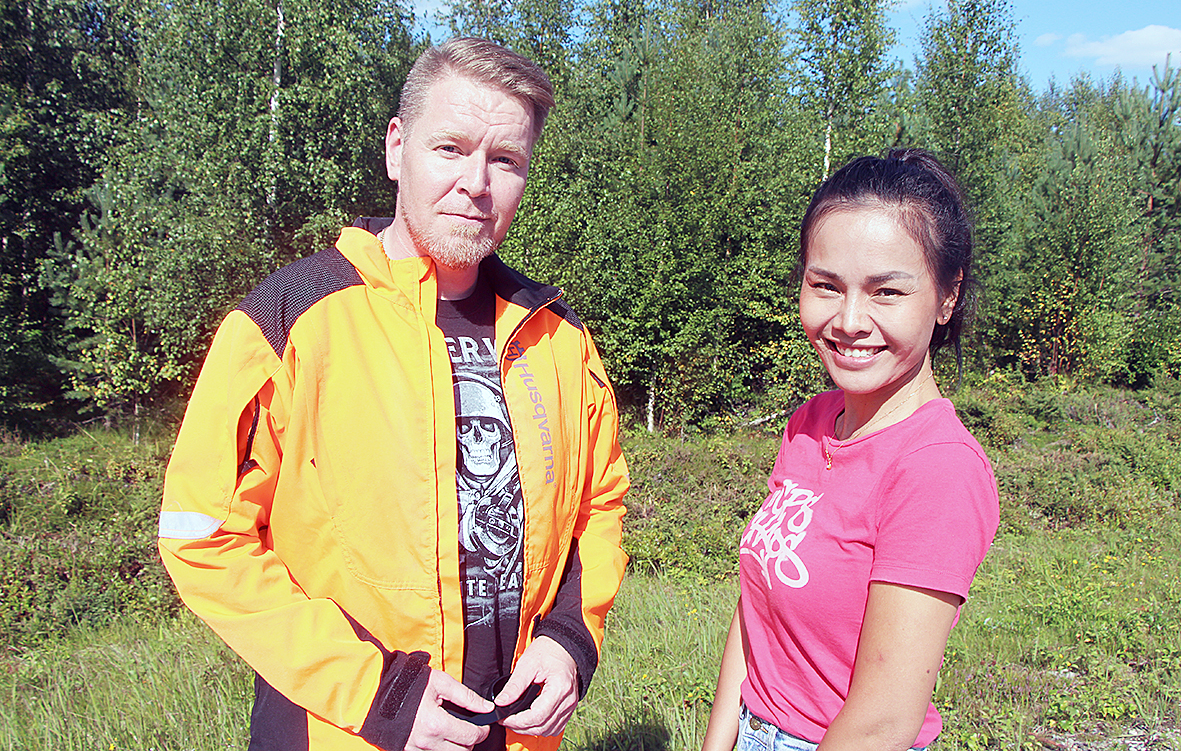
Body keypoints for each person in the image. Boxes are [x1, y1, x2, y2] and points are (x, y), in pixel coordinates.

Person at [157, 37, 629, 751]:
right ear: (395, 148)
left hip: (515, 733)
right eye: (450, 148)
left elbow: (598, 505)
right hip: (347, 729)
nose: (477, 182)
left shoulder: (558, 337)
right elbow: (201, 534)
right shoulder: (290, 316)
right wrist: (377, 692)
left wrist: (570, 638)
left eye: (504, 160)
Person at [702, 148, 1000, 751]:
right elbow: (755, 612)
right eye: (826, 286)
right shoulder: (810, 425)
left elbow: (883, 722)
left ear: (947, 296)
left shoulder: (936, 468)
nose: (849, 320)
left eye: (887, 291)